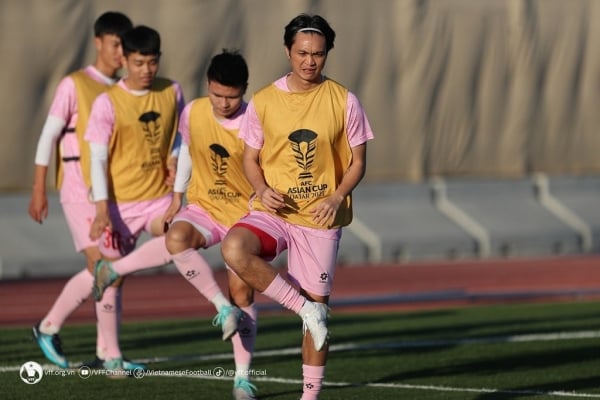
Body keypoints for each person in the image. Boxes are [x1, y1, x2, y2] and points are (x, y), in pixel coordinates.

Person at [220, 14, 374, 400]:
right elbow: (250, 159)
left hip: (320, 219)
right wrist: (260, 187)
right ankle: (305, 308)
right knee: (234, 248)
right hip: (274, 212)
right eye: (302, 53)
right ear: (288, 51)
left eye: (318, 54)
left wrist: (336, 197)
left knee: (317, 320)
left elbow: (358, 162)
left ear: (326, 55)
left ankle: (309, 396)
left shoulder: (344, 100)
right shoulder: (265, 101)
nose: (310, 61)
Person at [92, 50, 258, 398]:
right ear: (207, 86)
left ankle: (242, 378)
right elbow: (185, 149)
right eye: (217, 94)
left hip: (245, 214)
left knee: (243, 291)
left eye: (232, 96)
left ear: (244, 90)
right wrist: (177, 197)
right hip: (206, 205)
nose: (224, 103)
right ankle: (221, 308)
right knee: (177, 237)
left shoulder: (257, 118)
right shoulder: (194, 110)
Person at [28, 11, 144, 371]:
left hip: (113, 190)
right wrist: (38, 189)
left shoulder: (125, 89)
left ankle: (104, 351)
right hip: (78, 186)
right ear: (98, 42)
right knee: (104, 265)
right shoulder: (74, 84)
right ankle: (50, 328)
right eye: (115, 45)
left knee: (115, 272)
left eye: (124, 47)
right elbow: (48, 135)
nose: (120, 54)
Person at [84, 24, 184, 374]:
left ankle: (112, 272)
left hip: (158, 198)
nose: (146, 70)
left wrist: (174, 159)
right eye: (139, 62)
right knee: (110, 282)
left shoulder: (172, 91)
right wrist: (100, 208)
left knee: (179, 239)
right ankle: (109, 355)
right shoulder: (106, 102)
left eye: (152, 62)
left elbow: (181, 136)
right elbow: (97, 158)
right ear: (123, 59)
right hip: (116, 205)